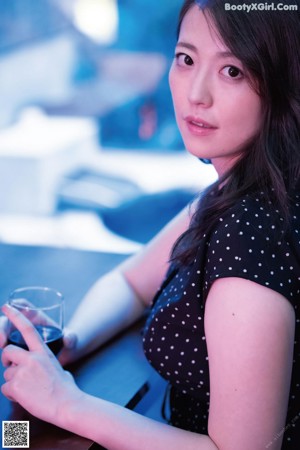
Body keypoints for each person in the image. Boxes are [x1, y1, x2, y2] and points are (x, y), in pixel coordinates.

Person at [1, 0, 299, 448]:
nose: (197, 93)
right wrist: (69, 344)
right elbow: (132, 282)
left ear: (280, 82)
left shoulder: (252, 237)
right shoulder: (237, 188)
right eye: (186, 59)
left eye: (232, 71)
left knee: (14, 439)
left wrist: (65, 402)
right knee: (14, 432)